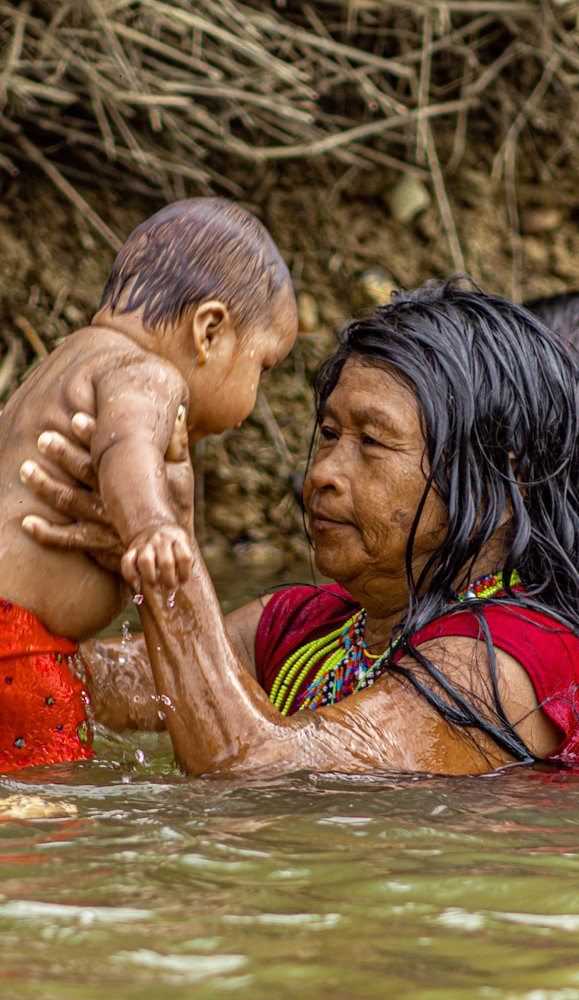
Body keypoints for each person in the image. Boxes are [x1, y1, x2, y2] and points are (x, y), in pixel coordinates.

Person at [21, 279, 578, 776]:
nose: (321, 474)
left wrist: (167, 563)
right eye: (331, 434)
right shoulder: (308, 626)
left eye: (373, 442)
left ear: (504, 482)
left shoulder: (514, 657)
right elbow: (92, 688)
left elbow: (259, 772)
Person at [0, 197, 297, 770]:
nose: (256, 394)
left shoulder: (62, 361)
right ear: (209, 330)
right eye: (263, 366)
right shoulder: (148, 374)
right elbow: (123, 448)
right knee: (51, 820)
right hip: (16, 655)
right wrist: (153, 524)